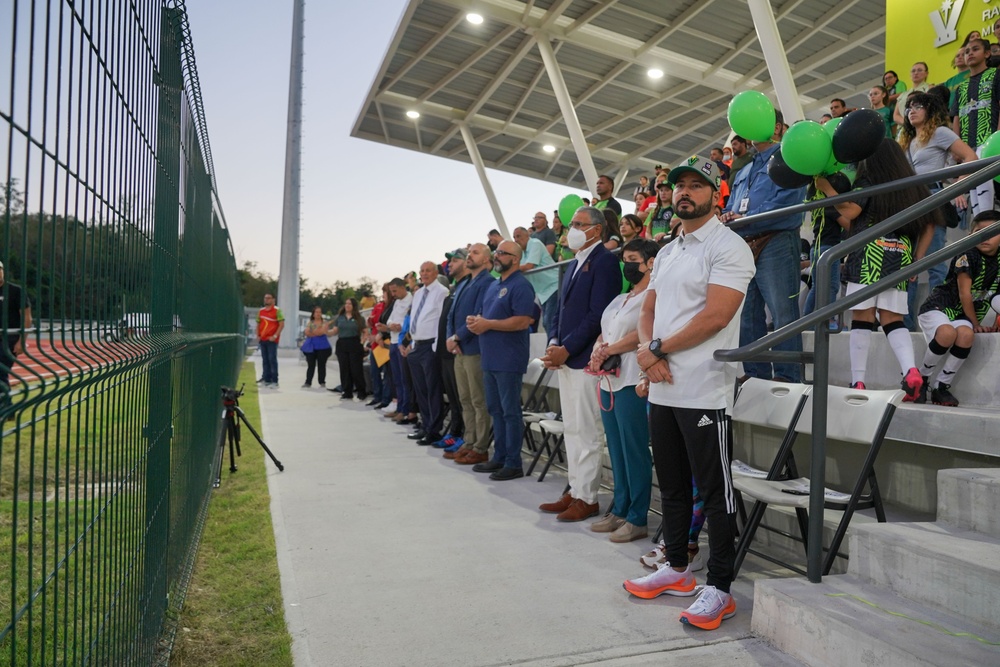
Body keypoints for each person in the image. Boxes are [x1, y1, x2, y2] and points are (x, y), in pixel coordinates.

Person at [623, 156, 754, 631]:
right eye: (679, 186)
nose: (685, 193)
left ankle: (720, 588)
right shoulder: (671, 248)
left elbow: (715, 317)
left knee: (716, 493)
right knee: (674, 487)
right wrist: (647, 351)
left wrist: (655, 349)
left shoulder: (729, 246)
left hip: (704, 389)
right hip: (662, 385)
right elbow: (649, 306)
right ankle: (676, 568)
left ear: (716, 194)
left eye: (697, 186)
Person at [539, 206, 622, 522]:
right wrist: (553, 343)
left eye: (578, 224)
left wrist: (568, 347)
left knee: (587, 431)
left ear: (596, 229)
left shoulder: (605, 262)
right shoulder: (574, 264)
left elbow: (597, 315)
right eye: (571, 223)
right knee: (572, 428)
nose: (571, 228)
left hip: (587, 360)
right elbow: (559, 311)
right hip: (565, 359)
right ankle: (574, 490)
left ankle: (588, 498)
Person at [844, 138, 940, 398]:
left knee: (862, 319)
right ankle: (910, 371)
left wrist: (829, 192)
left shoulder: (868, 182)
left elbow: (850, 213)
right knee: (892, 319)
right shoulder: (911, 186)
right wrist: (917, 258)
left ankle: (858, 382)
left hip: (867, 258)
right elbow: (931, 222)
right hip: (899, 258)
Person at [721, 110, 807, 383]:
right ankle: (756, 375)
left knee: (783, 312)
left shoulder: (790, 158)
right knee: (747, 315)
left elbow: (789, 203)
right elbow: (734, 201)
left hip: (777, 240)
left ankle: (788, 376)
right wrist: (728, 213)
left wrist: (745, 217)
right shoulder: (745, 167)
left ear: (778, 127)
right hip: (744, 242)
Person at [586, 238, 657, 544]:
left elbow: (638, 334)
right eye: (624, 259)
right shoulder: (620, 299)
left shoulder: (652, 298)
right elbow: (605, 330)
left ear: (649, 263)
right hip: (607, 382)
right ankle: (620, 506)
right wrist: (598, 348)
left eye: (632, 259)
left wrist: (610, 348)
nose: (626, 265)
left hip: (631, 379)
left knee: (634, 450)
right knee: (615, 449)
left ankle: (637, 516)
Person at [899, 90, 978, 324]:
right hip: (909, 203)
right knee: (907, 265)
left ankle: (940, 316)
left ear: (930, 109)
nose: (911, 110)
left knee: (933, 262)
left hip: (932, 198)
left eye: (918, 106)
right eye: (908, 107)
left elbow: (970, 157)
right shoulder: (906, 139)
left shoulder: (940, 133)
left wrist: (958, 187)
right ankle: (907, 323)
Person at [466, 240, 536, 480]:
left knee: (509, 411)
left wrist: (489, 324)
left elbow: (523, 320)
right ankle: (499, 456)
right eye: (496, 253)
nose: (497, 256)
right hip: (490, 358)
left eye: (502, 253)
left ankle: (513, 462)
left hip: (508, 359)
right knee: (495, 409)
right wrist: (477, 322)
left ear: (515, 258)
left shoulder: (521, 286)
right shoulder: (494, 285)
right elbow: (487, 316)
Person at [915, 212, 1000, 407]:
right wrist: (976, 324)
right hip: (940, 307)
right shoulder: (967, 254)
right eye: (979, 231)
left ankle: (941, 387)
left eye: (992, 232)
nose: (985, 237)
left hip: (963, 314)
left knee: (965, 336)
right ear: (971, 234)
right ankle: (921, 380)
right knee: (947, 333)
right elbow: (965, 294)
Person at [446, 243, 496, 464]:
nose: (469, 256)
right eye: (469, 253)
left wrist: (457, 337)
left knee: (478, 400)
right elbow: (452, 315)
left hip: (475, 348)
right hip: (460, 349)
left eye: (475, 253)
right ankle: (468, 441)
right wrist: (452, 338)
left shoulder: (487, 283)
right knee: (465, 398)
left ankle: (480, 446)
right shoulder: (465, 283)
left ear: (487, 260)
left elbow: (479, 315)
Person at [405, 261, 449, 445]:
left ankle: (433, 430)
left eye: (428, 270)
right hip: (417, 345)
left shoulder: (442, 292)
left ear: (436, 272)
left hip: (431, 345)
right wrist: (412, 342)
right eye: (422, 271)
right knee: (420, 390)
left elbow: (441, 321)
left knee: (432, 390)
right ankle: (425, 425)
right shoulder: (417, 293)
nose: (424, 274)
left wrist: (435, 347)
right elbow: (415, 317)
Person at [803, 172, 856, 315]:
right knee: (831, 287)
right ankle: (827, 320)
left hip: (816, 248)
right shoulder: (831, 207)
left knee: (816, 287)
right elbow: (848, 226)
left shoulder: (819, 207)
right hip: (829, 249)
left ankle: (807, 321)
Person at [436, 251, 467, 447]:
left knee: (463, 398)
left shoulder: (465, 289)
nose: (450, 264)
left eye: (455, 260)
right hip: (444, 350)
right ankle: (455, 432)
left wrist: (456, 339)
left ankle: (462, 435)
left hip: (458, 350)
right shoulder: (453, 292)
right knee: (454, 398)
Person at [513, 227, 558, 335]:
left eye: (518, 236)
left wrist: (510, 268)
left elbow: (529, 266)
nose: (516, 240)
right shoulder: (521, 253)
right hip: (543, 292)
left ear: (527, 236)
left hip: (554, 286)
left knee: (550, 322)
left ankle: (554, 349)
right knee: (547, 323)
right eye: (514, 237)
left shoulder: (535, 243)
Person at [0, 260, 31, 415]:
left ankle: (6, 407)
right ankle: (7, 406)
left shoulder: (15, 291)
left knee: (1, 370)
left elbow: (27, 318)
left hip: (9, 338)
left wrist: (22, 341)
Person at [384, 278, 412, 419]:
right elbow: (389, 319)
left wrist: (400, 326)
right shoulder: (396, 302)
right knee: (396, 378)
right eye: (391, 291)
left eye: (394, 291)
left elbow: (410, 319)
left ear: (402, 287)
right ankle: (399, 407)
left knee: (404, 378)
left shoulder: (411, 300)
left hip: (403, 342)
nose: (393, 294)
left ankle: (405, 410)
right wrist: (391, 325)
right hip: (393, 341)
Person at [329, 298, 368, 401]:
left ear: (354, 306)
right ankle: (347, 391)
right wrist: (326, 332)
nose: (347, 305)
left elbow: (365, 331)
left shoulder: (359, 318)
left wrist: (362, 342)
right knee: (344, 369)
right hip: (342, 343)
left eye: (349, 304)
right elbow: (335, 331)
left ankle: (361, 391)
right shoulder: (340, 318)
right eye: (346, 303)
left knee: (356, 370)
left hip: (354, 343)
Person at [368, 284, 395, 408]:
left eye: (385, 292)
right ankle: (377, 396)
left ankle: (386, 399)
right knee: (374, 372)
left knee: (387, 374)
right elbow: (373, 323)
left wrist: (382, 336)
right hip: (375, 344)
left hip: (386, 343)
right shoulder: (379, 306)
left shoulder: (393, 306)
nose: (383, 295)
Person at [256, 293, 285, 388]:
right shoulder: (261, 311)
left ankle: (275, 381)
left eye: (269, 298)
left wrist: (275, 336)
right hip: (263, 339)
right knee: (265, 360)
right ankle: (266, 379)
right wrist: (258, 335)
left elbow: (281, 324)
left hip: (272, 340)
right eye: (265, 298)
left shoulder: (277, 311)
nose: (266, 300)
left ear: (273, 300)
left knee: (272, 359)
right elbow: (258, 324)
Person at [301, 306, 332, 388]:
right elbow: (307, 332)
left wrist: (313, 332)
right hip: (311, 347)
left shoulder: (324, 322)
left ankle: (322, 382)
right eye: (316, 312)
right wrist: (317, 331)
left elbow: (321, 332)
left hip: (323, 347)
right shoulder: (310, 322)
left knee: (322, 365)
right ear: (313, 314)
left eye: (319, 312)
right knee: (311, 365)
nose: (318, 314)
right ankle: (308, 382)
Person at [892, 62, 930, 127]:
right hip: (903, 129)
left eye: (919, 70)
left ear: (926, 73)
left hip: (922, 127)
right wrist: (907, 124)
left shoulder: (929, 89)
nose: (916, 73)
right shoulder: (903, 94)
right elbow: (896, 115)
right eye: (913, 71)